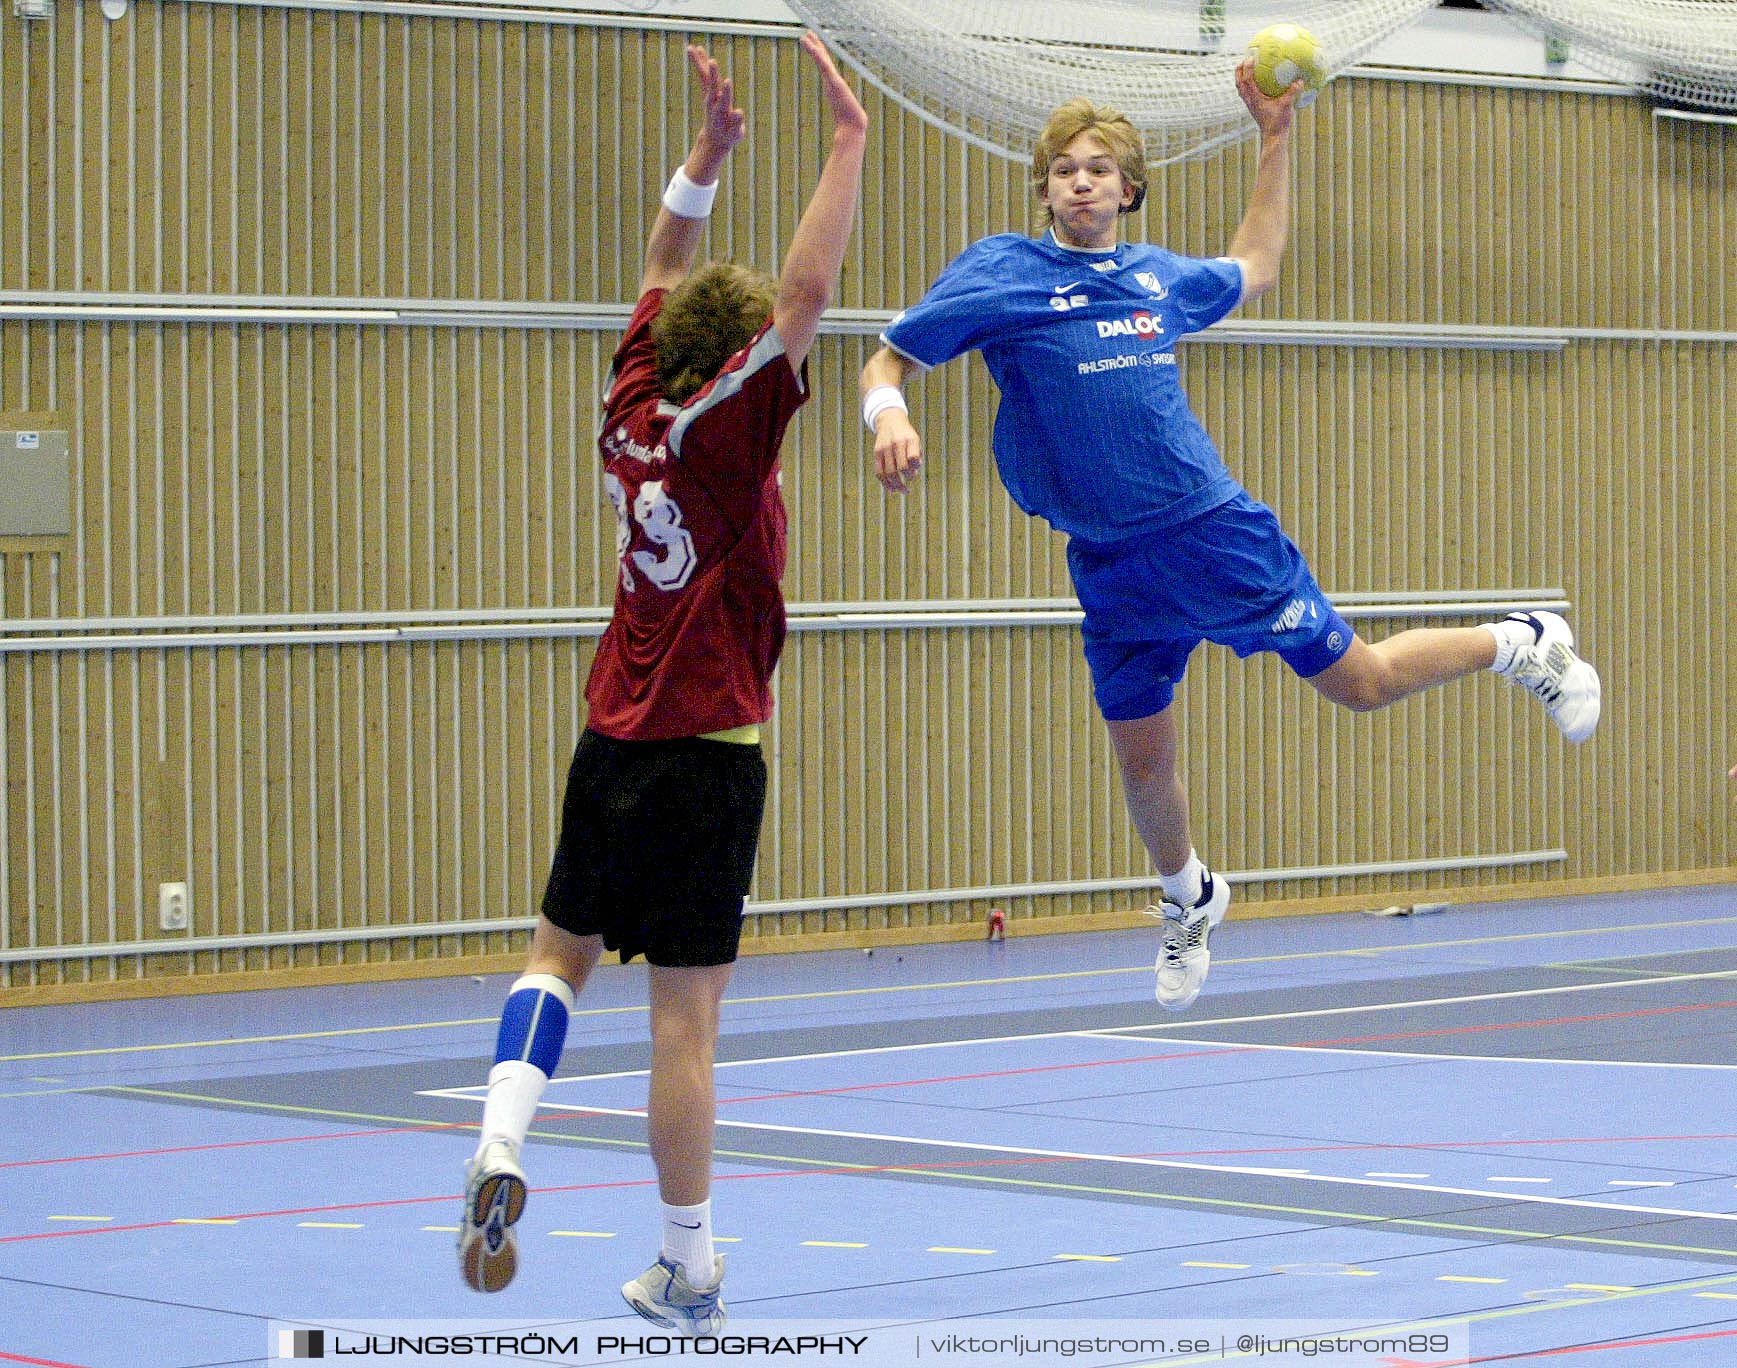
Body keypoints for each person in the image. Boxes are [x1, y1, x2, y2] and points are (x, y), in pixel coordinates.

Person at [860, 60, 1600, 1013]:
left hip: (1209, 531)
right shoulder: (1000, 274)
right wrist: (887, 415)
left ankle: (1522, 642)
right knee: (1142, 759)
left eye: (1098, 169)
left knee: (1361, 685)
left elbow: (1255, 264)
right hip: (1108, 558)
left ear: (1128, 189)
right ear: (1043, 188)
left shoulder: (1156, 278)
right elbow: (889, 355)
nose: (1078, 181)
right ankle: (1188, 898)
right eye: (1062, 170)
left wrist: (1277, 139)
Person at [455, 34, 867, 1337]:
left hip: (609, 732)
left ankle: (501, 1138)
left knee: (556, 955)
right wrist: (844, 145)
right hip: (711, 753)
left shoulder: (632, 400)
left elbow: (661, 266)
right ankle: (687, 1260)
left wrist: (703, 162)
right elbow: (801, 298)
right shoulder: (724, 440)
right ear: (740, 366)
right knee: (682, 1024)